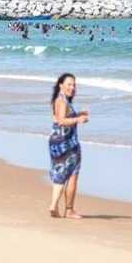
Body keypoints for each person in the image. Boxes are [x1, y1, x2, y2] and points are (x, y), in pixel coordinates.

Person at [48, 73, 89, 218]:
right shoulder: (62, 101)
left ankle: (54, 205)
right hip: (67, 143)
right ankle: (69, 210)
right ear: (61, 85)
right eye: (69, 84)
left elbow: (61, 118)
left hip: (56, 142)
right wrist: (78, 119)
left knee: (59, 173)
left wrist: (78, 115)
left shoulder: (59, 100)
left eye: (74, 85)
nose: (72, 87)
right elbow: (61, 121)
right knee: (72, 174)